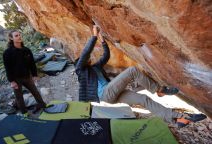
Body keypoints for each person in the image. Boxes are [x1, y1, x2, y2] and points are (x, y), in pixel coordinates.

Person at [75, 25, 207, 127]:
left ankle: (179, 118)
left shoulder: (95, 68)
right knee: (132, 71)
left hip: (111, 94)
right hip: (105, 94)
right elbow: (86, 53)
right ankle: (159, 90)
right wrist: (94, 35)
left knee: (143, 99)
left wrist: (102, 41)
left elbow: (106, 56)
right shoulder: (80, 69)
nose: (87, 60)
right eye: (84, 60)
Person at [3, 30, 46, 114]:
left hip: (27, 76)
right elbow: (7, 68)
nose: (19, 37)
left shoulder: (26, 50)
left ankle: (42, 105)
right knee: (19, 97)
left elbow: (32, 64)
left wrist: (34, 75)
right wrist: (11, 81)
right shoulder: (7, 53)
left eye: (19, 35)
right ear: (11, 38)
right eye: (16, 36)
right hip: (16, 79)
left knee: (35, 92)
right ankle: (24, 113)